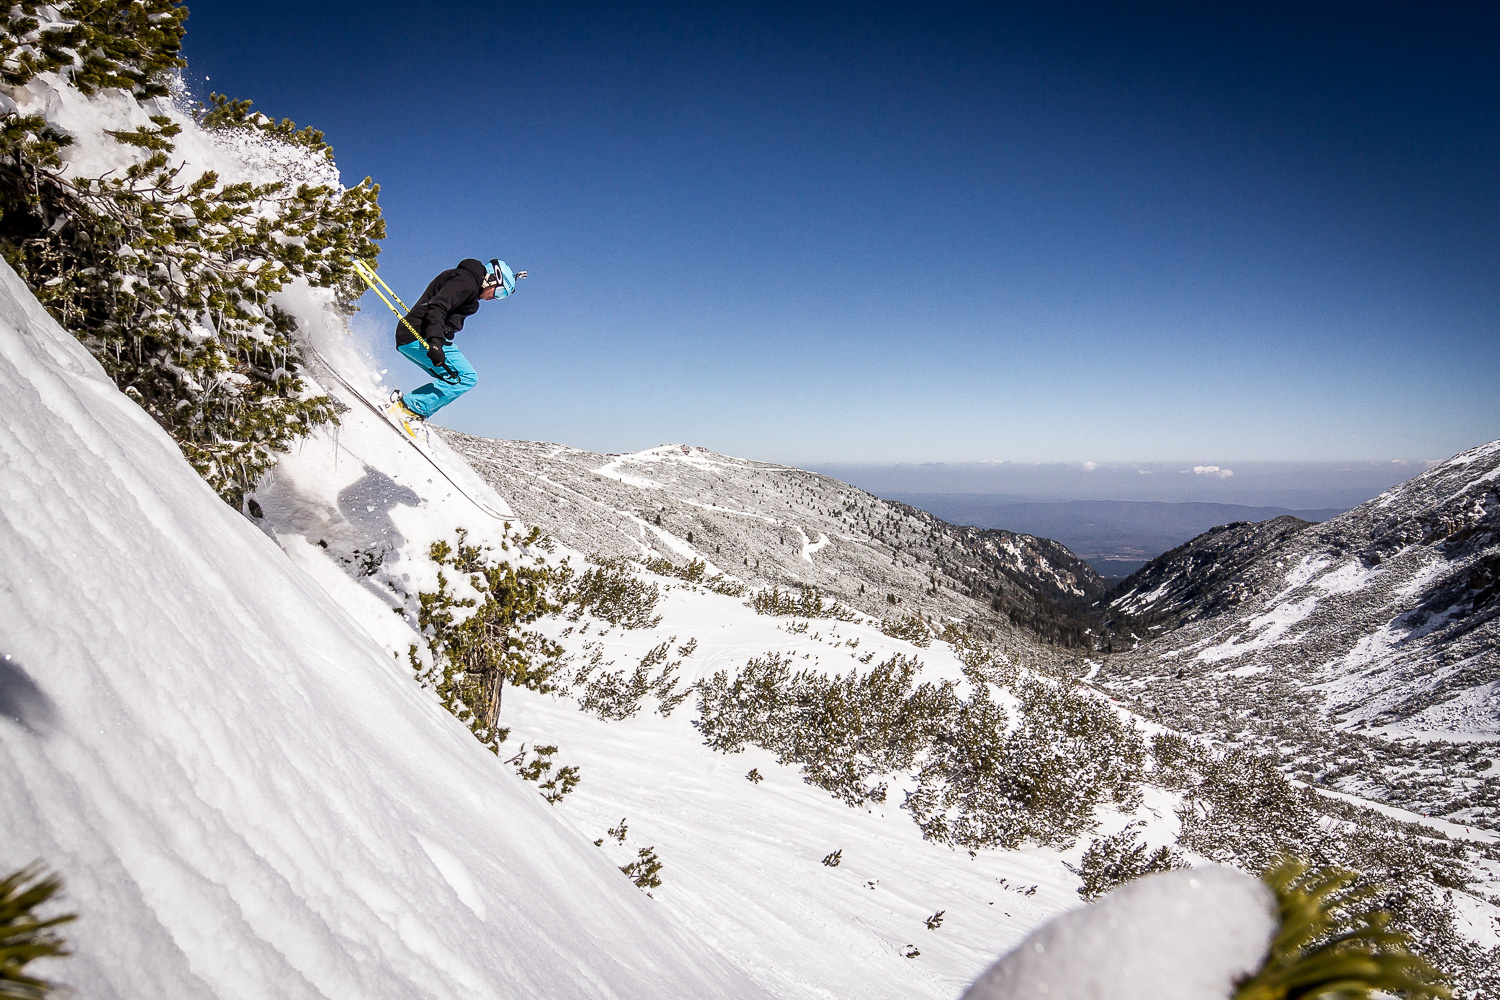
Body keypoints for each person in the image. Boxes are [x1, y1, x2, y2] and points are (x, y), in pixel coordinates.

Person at [388, 257, 525, 431]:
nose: (494, 298)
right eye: (499, 293)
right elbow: (438, 306)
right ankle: (408, 409)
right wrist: (435, 342)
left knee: (454, 378)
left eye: (502, 297)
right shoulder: (466, 282)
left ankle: (413, 410)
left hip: (413, 335)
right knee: (466, 377)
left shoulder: (465, 282)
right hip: (420, 335)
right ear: (492, 278)